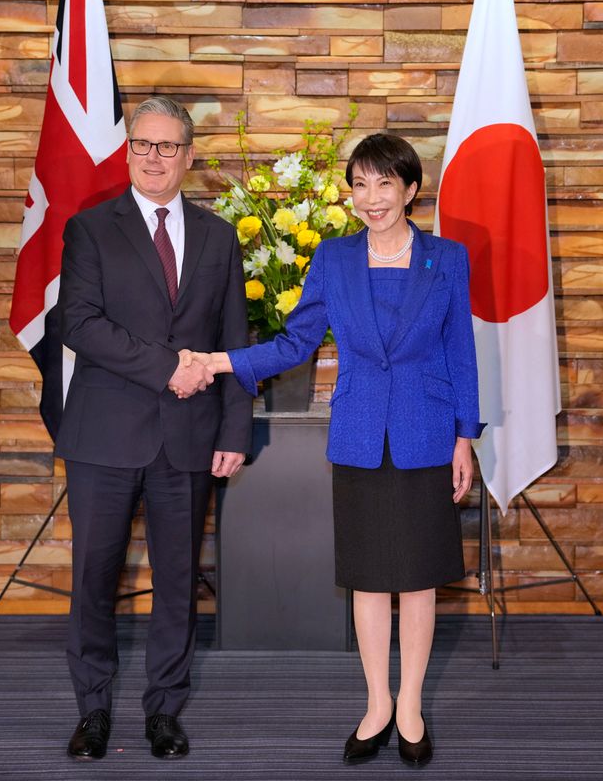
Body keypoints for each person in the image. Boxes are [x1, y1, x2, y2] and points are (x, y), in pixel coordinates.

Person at [193, 133, 481, 767]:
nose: (371, 198)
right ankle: (377, 703)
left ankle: (411, 707)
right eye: (360, 185)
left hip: (428, 433)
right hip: (359, 436)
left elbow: (460, 351)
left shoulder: (448, 258)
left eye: (385, 184)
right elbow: (296, 343)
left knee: (420, 580)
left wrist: (466, 438)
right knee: (369, 579)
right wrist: (220, 362)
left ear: (411, 190)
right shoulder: (333, 257)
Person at [54, 96, 252, 761]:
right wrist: (169, 369)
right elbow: (79, 324)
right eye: (143, 144)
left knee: (177, 582)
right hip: (104, 436)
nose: (154, 157)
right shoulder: (90, 229)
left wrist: (235, 430)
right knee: (94, 578)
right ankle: (93, 710)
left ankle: (165, 710)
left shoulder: (219, 237)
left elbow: (233, 339)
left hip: (189, 438)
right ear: (128, 150)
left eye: (168, 146)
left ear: (188, 156)